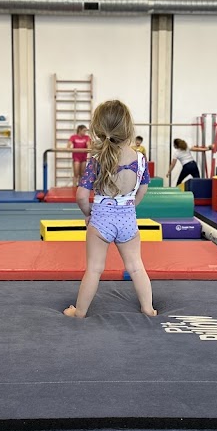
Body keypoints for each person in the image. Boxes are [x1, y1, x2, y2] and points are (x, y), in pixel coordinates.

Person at [64, 100, 155, 319]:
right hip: (127, 219)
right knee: (136, 267)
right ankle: (148, 308)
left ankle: (79, 311)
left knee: (94, 269)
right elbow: (143, 189)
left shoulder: (96, 160)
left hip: (101, 219)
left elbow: (81, 195)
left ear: (98, 129)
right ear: (128, 128)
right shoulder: (140, 159)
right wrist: (130, 207)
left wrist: (88, 214)